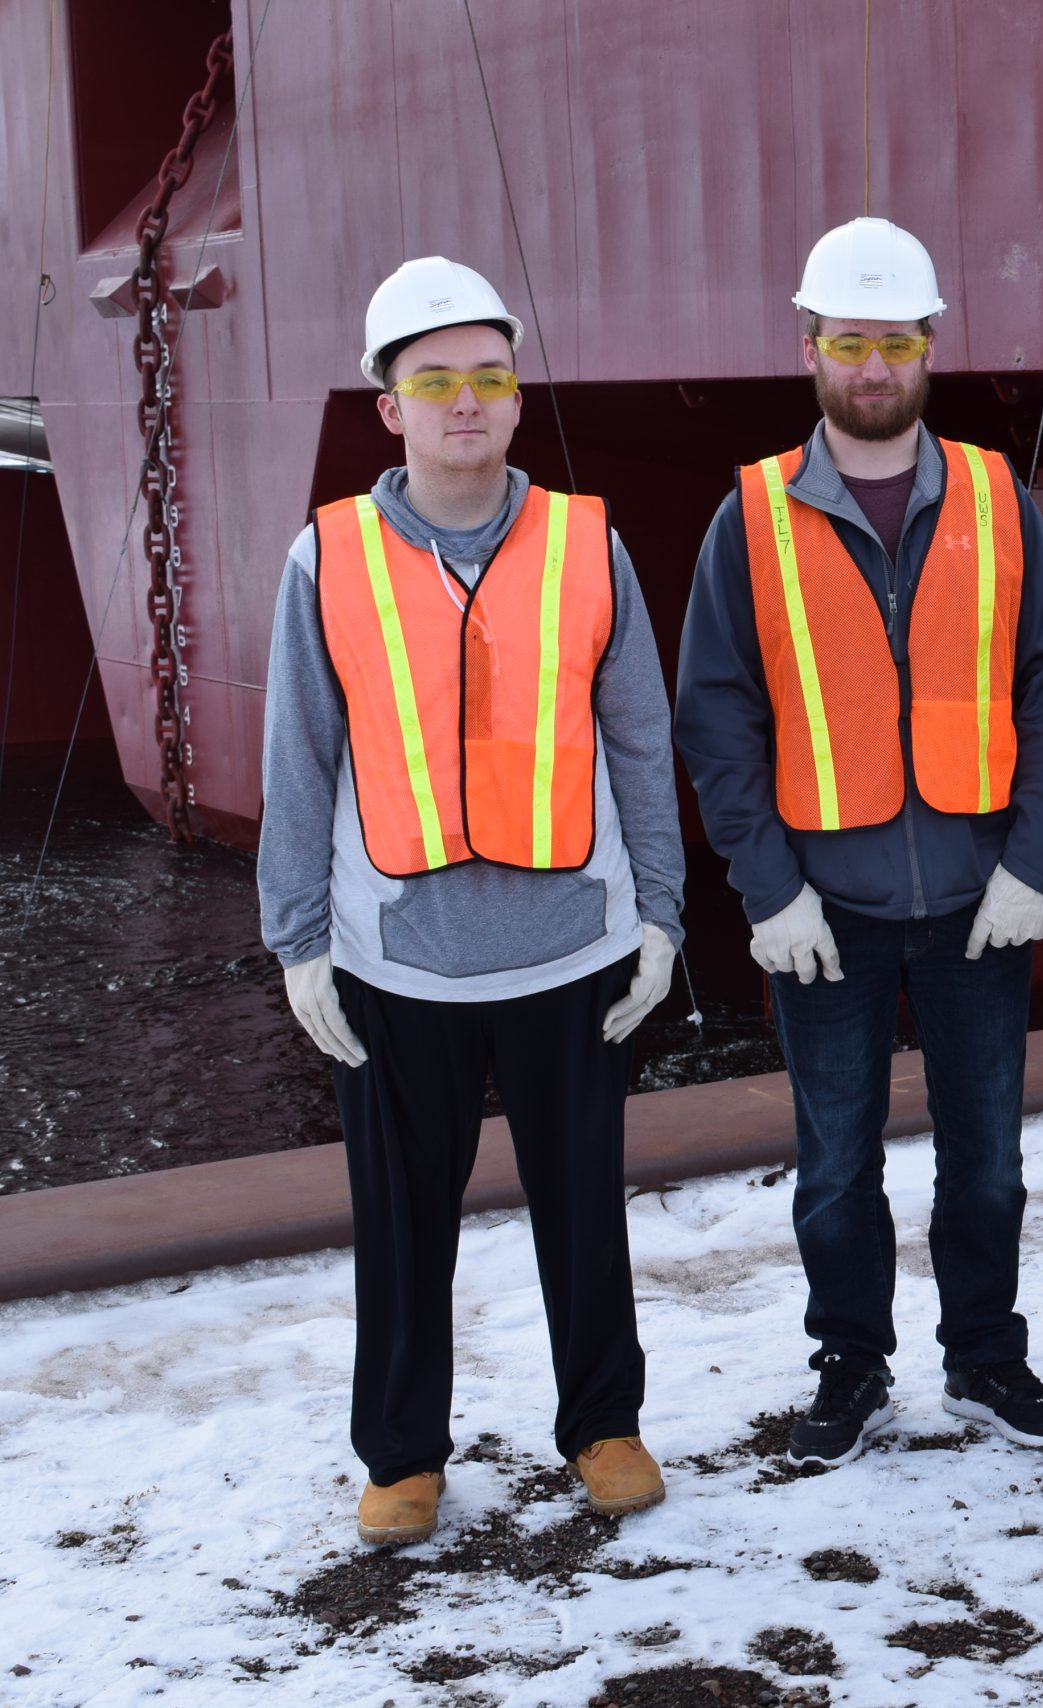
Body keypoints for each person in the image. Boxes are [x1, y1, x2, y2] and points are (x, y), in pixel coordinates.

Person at [259, 257, 686, 1545]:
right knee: (399, 1227)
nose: (465, 403)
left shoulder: (584, 542)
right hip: (400, 958)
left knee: (583, 1208)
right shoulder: (324, 556)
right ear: (388, 404)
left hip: (573, 949)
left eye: (487, 378)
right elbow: (300, 755)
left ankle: (603, 1425)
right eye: (434, 380)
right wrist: (298, 942)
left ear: (514, 398)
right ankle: (401, 1454)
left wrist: (660, 917)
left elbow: (638, 742)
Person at [673, 218, 1043, 1463]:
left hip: (977, 901)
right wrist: (768, 888)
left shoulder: (998, 501)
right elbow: (716, 714)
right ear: (809, 347)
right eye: (848, 341)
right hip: (828, 909)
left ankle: (986, 1360)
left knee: (988, 1163)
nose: (872, 366)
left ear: (929, 348)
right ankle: (850, 1365)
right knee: (835, 1164)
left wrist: (1032, 861)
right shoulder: (749, 516)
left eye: (894, 342)